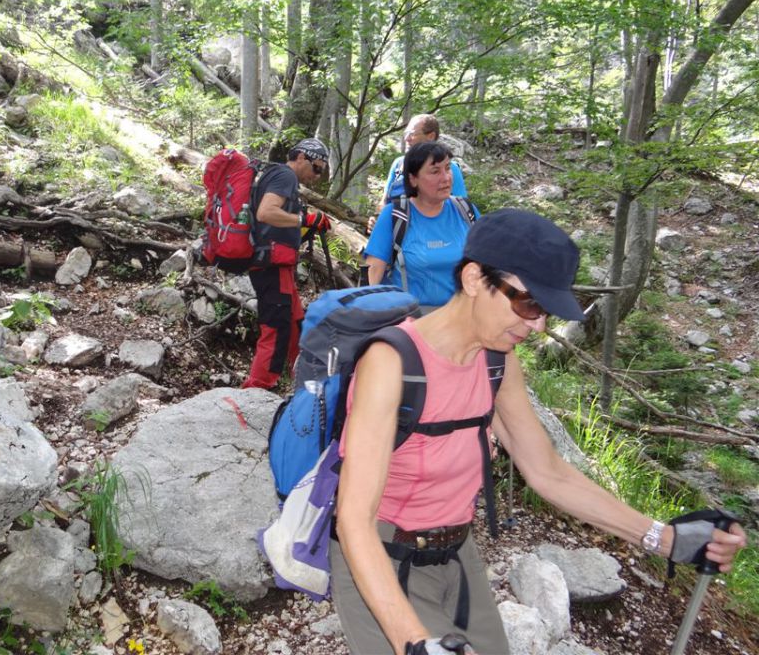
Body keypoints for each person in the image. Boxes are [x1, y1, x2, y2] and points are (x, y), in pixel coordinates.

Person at [332, 209, 747, 655]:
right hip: (382, 558)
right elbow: (354, 519)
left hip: (458, 553)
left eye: (546, 310)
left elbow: (547, 471)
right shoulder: (391, 363)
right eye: (529, 304)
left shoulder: (496, 360)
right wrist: (414, 644)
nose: (539, 326)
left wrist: (664, 538)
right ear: (474, 279)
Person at [241, 138, 331, 390]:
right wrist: (306, 217)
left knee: (294, 324)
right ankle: (256, 390)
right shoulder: (285, 175)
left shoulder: (277, 176)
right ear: (301, 157)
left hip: (275, 263)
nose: (317, 175)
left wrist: (307, 223)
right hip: (272, 264)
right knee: (277, 327)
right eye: (316, 168)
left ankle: (305, 384)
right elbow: (266, 213)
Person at [364, 142, 478, 311]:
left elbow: (489, 267)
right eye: (435, 171)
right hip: (411, 322)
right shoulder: (395, 215)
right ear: (413, 179)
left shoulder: (466, 211)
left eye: (447, 168)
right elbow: (372, 273)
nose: (446, 177)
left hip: (464, 319)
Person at [367, 114, 467, 233]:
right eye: (406, 134)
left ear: (431, 136)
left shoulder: (450, 169)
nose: (407, 139)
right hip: (394, 236)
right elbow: (385, 201)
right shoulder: (398, 164)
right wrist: (379, 220)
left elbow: (461, 210)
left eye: (412, 134)